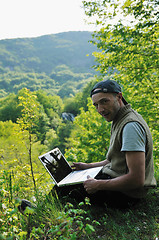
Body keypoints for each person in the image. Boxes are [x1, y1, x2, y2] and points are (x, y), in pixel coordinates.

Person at [19, 79, 156, 211]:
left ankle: (41, 214)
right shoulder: (121, 117)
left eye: (104, 101)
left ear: (119, 97)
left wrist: (98, 185)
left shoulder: (130, 127)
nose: (100, 109)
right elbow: (115, 159)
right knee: (67, 181)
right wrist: (88, 166)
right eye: (96, 105)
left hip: (127, 195)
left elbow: (137, 179)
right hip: (119, 182)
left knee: (64, 189)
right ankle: (44, 211)